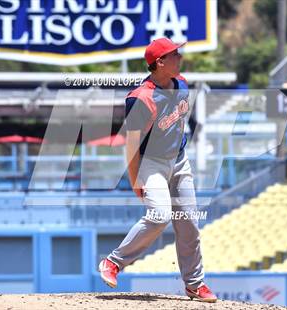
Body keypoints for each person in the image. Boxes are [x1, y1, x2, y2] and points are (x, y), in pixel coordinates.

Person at [99, 37, 217, 303]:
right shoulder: (141, 98)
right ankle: (113, 262)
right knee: (159, 215)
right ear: (160, 62)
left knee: (189, 224)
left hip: (179, 161)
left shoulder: (183, 85)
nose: (180, 57)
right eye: (174, 54)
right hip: (150, 163)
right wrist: (135, 179)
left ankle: (195, 285)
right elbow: (130, 146)